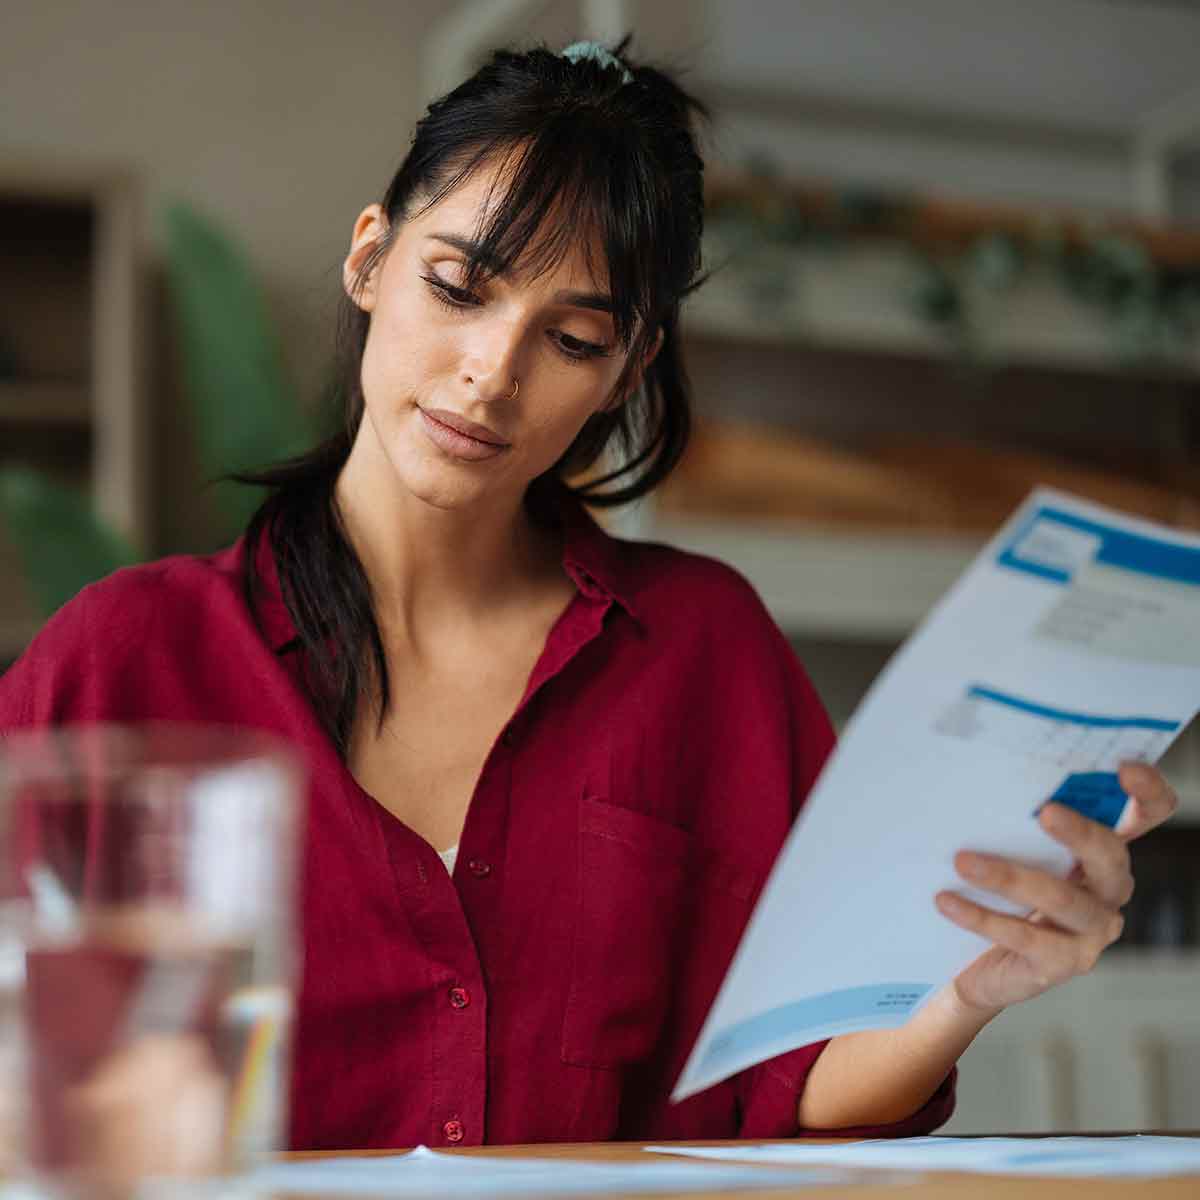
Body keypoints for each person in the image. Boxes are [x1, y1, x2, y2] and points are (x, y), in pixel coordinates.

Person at [0, 38, 1178, 1151]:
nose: (491, 373)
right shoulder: (126, 659)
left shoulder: (701, 650)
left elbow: (796, 1088)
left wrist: (971, 987)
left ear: (630, 367)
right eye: (459, 287)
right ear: (370, 257)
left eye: (571, 339)